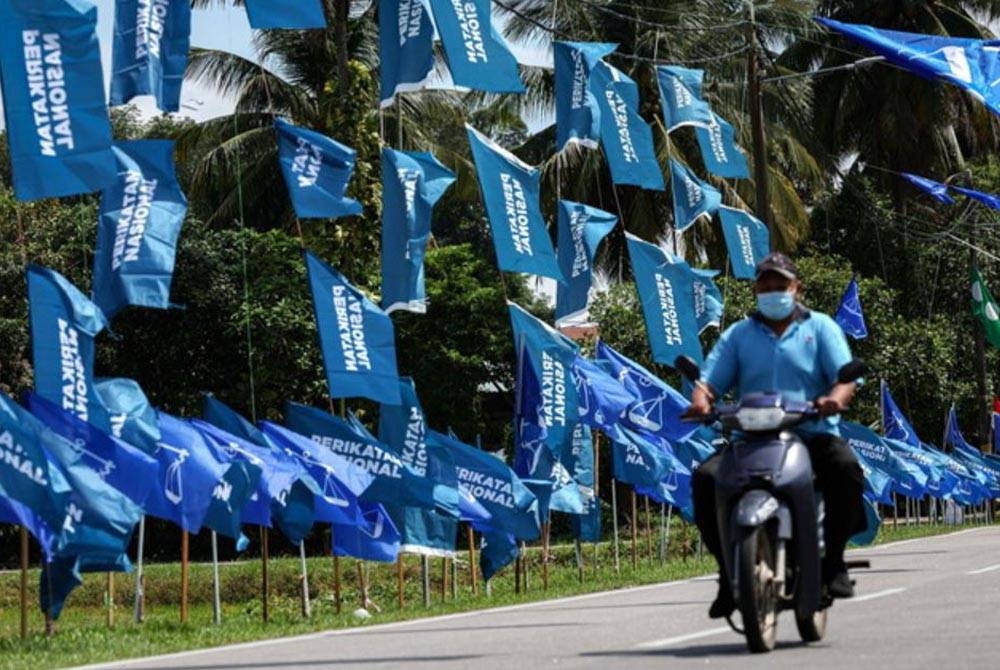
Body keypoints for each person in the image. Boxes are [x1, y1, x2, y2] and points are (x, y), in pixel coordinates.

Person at [685, 252, 866, 619]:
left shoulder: (821, 328)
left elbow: (845, 379)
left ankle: (833, 563)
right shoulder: (739, 335)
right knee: (705, 480)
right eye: (765, 283)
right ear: (756, 288)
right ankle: (726, 575)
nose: (772, 290)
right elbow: (708, 381)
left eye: (780, 284)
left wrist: (833, 400)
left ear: (796, 288)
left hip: (811, 434)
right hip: (750, 438)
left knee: (846, 469)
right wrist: (702, 403)